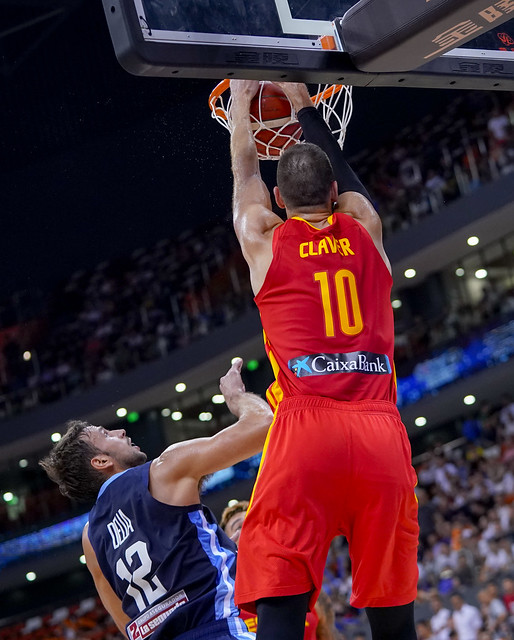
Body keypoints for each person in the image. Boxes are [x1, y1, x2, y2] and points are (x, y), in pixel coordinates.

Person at [229, 80, 419, 640]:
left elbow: (245, 180)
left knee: (281, 598)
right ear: (336, 192)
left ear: (280, 201)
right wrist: (303, 101)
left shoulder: (265, 238)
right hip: (379, 430)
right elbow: (352, 185)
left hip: (305, 430)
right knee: (393, 608)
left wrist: (243, 106)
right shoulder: (364, 227)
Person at [39, 359, 273, 640]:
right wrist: (236, 397)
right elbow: (263, 426)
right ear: (100, 461)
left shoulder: (91, 538)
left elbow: (129, 625)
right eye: (106, 434)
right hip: (218, 629)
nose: (120, 431)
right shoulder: (163, 470)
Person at [220, 500, 337, 640]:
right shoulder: (224, 605)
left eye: (255, 521)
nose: (250, 528)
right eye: (239, 526)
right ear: (229, 544)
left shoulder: (299, 583)